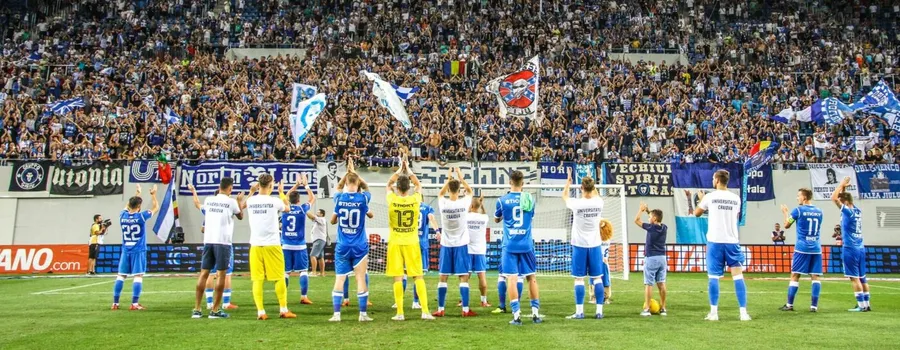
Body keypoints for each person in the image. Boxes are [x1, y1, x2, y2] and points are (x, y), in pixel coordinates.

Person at [694, 170, 750, 321]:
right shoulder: (735, 198)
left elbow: (697, 213)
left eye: (713, 178)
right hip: (732, 240)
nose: (713, 181)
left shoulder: (710, 196)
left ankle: (714, 313)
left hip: (715, 241)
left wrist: (701, 199)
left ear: (717, 180)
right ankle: (743, 313)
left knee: (713, 277)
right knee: (738, 276)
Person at [385, 154, 434, 321]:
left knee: (398, 277)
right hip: (412, 241)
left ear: (398, 188)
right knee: (418, 276)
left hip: (395, 242)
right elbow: (418, 185)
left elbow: (388, 184)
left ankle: (399, 313)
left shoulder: (392, 199)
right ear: (408, 188)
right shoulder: (415, 200)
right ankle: (425, 311)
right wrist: (409, 170)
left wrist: (400, 170)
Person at [247, 174, 297, 320]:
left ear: (258, 185)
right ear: (270, 185)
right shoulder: (274, 201)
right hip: (272, 244)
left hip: (255, 245)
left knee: (257, 279)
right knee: (279, 277)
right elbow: (287, 208)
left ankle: (261, 312)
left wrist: (251, 191)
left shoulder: (251, 201)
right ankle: (283, 309)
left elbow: (242, 205)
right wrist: (281, 192)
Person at [192, 178, 244, 319]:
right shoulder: (231, 202)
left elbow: (198, 205)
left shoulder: (209, 200)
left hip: (208, 241)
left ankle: (197, 309)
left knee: (204, 274)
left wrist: (193, 192)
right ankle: (215, 310)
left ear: (219, 187)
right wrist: (239, 200)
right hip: (223, 242)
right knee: (221, 275)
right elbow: (240, 216)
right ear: (230, 189)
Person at [330, 159, 374, 322]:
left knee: (340, 278)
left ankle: (336, 314)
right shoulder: (363, 199)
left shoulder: (339, 199)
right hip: (359, 245)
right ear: (357, 183)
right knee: (360, 278)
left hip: (342, 245)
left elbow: (333, 220)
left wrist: (347, 174)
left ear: (347, 183)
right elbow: (367, 187)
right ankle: (362, 314)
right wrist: (355, 173)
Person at [495, 170, 541, 325]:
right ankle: (535, 314)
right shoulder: (529, 199)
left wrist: (503, 216)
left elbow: (496, 219)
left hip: (510, 245)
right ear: (523, 183)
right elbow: (530, 217)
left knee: (512, 278)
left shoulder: (502, 200)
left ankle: (516, 315)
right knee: (531, 277)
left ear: (510, 182)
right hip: (526, 244)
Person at [562, 169, 606, 320]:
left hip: (579, 245)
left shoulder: (577, 204)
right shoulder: (599, 202)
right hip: (595, 245)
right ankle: (599, 311)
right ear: (593, 188)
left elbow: (565, 196)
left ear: (581, 188)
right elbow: (597, 194)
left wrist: (568, 181)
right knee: (598, 278)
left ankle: (580, 312)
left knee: (579, 279)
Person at [433, 167, 475, 317]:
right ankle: (465, 310)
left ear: (449, 189)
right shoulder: (464, 203)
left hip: (446, 244)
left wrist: (448, 178)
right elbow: (470, 191)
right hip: (461, 244)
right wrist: (461, 178)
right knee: (463, 276)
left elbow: (440, 193)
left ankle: (441, 309)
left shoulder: (444, 203)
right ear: (458, 190)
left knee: (443, 276)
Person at [112, 184, 158, 311]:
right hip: (138, 250)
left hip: (126, 250)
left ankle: (115, 303)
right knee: (138, 276)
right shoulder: (141, 216)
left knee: (121, 276)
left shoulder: (122, 216)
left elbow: (128, 206)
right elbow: (156, 208)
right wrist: (153, 195)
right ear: (139, 207)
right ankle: (135, 303)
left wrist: (137, 193)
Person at [779, 188, 824, 312]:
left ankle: (789, 305)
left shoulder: (798, 210)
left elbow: (787, 225)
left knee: (795, 275)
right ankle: (814, 306)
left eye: (798, 195)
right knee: (815, 277)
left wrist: (785, 212)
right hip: (816, 248)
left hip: (802, 248)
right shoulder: (819, 211)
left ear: (804, 197)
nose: (797, 198)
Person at [831, 177, 871, 312]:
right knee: (862, 278)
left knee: (854, 278)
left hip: (850, 248)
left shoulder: (847, 212)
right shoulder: (857, 210)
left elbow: (834, 198)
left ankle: (860, 306)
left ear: (845, 203)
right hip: (860, 247)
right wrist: (844, 189)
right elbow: (843, 198)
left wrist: (840, 184)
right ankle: (866, 304)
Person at [281, 175, 316, 305]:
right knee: (303, 271)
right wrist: (305, 185)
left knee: (285, 272)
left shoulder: (285, 208)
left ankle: (283, 298)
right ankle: (303, 297)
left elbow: (285, 196)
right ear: (299, 200)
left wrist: (296, 185)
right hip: (299, 245)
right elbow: (313, 198)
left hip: (286, 245)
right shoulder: (302, 208)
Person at [635, 202, 668, 317]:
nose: (648, 218)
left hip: (651, 258)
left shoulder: (650, 227)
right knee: (661, 283)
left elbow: (637, 220)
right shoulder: (664, 227)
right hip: (662, 258)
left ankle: (647, 309)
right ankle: (663, 308)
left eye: (650, 217)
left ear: (654, 219)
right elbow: (655, 218)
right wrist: (649, 211)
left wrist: (641, 210)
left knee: (649, 284)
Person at [466, 194, 491, 308]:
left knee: (465, 277)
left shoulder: (466, 216)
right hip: (480, 250)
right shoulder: (484, 218)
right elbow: (484, 213)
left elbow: (466, 212)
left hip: (467, 250)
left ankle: (463, 300)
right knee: (482, 276)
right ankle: (484, 301)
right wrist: (482, 204)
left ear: (471, 206)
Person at [309, 209, 328, 277]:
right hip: (320, 240)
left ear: (322, 214)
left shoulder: (321, 219)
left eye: (318, 212)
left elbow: (312, 216)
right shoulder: (319, 220)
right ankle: (322, 273)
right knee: (320, 257)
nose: (317, 213)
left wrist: (306, 210)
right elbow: (312, 217)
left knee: (312, 255)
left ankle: (314, 272)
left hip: (319, 239)